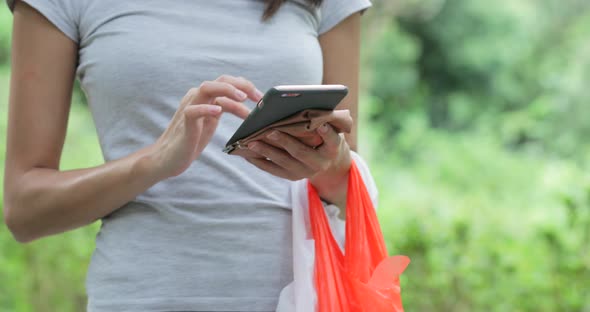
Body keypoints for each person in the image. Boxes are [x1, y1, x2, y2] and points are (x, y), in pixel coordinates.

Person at [3, 0, 371, 311]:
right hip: (143, 298)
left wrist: (327, 160)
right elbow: (25, 210)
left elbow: (347, 187)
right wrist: (156, 160)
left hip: (300, 296)